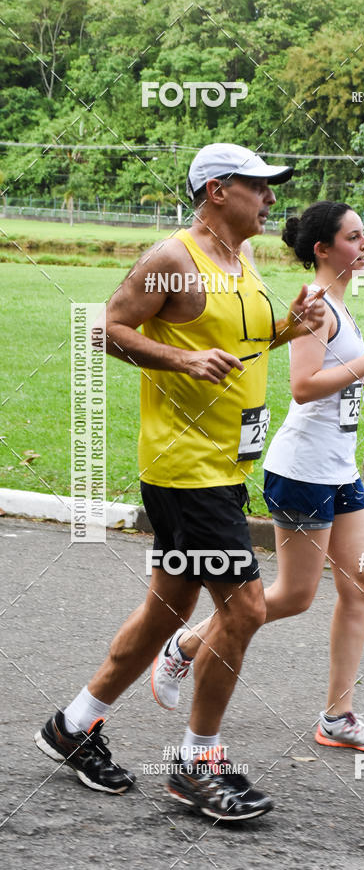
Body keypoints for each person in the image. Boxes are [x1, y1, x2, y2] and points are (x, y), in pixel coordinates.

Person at [34, 143, 326, 821]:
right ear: (218, 190)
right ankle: (196, 764)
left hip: (226, 464)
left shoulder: (242, 261)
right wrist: (180, 359)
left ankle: (72, 726)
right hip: (186, 470)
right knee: (245, 609)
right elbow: (107, 329)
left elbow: (243, 346)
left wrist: (292, 325)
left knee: (166, 612)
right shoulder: (175, 258)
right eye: (258, 187)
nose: (271, 200)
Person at [151, 200, 364, 754]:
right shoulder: (316, 304)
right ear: (323, 249)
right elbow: (302, 387)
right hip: (302, 472)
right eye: (353, 237)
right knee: (294, 596)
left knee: (361, 584)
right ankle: (186, 645)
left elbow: (333, 378)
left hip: (338, 467)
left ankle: (338, 718)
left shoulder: (340, 302)